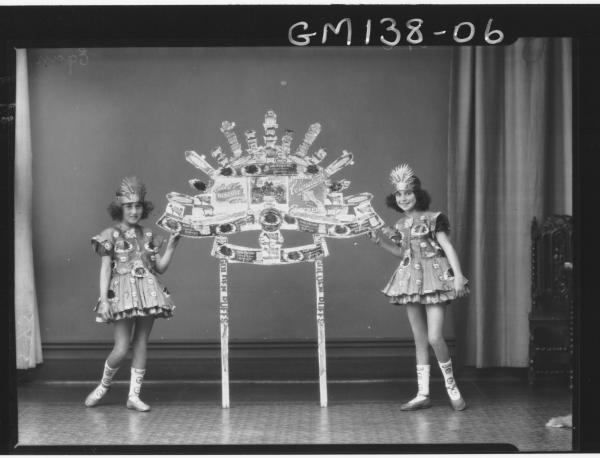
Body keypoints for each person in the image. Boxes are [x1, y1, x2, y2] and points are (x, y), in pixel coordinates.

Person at [369, 164, 469, 411]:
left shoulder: (434, 218)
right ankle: (422, 393)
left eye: (408, 193)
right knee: (420, 340)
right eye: (399, 194)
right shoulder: (401, 225)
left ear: (417, 194)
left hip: (435, 277)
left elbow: (446, 246)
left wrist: (458, 276)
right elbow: (404, 254)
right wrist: (379, 242)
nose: (403, 198)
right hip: (410, 280)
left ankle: (451, 387)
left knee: (435, 337)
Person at [85, 176, 181, 412]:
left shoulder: (148, 235)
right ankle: (103, 386)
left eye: (138, 206)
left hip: (148, 293)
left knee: (140, 344)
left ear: (143, 207)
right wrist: (105, 300)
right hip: (122, 295)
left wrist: (171, 246)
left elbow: (159, 268)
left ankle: (134, 396)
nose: (134, 211)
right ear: (120, 208)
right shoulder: (110, 234)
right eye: (129, 206)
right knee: (121, 347)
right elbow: (105, 268)